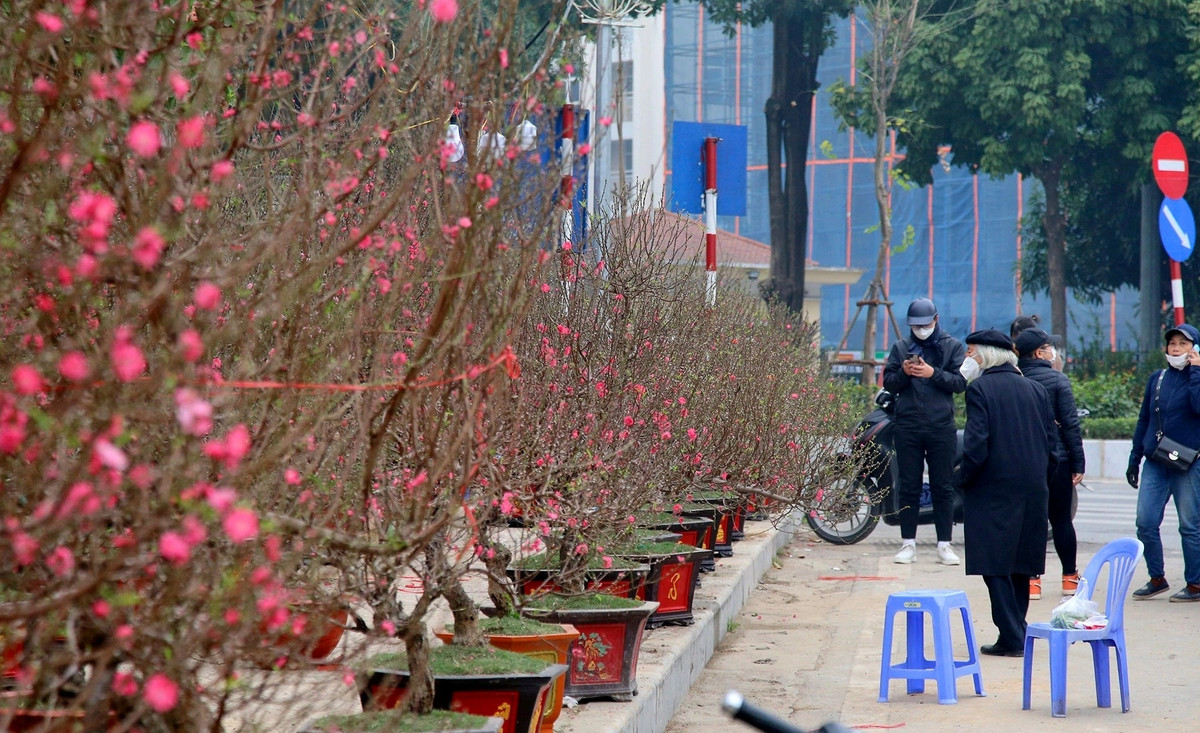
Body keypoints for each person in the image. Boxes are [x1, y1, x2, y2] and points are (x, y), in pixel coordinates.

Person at [957, 329, 1059, 656]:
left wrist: (961, 481)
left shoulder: (980, 390)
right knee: (1020, 564)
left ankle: (1014, 636)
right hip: (1032, 490)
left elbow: (975, 447)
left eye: (971, 352)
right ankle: (1014, 632)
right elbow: (1051, 448)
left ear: (986, 355)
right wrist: (1040, 479)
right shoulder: (1037, 390)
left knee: (994, 564)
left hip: (993, 490)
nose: (967, 359)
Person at [882, 297, 967, 565]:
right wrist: (905, 373)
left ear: (936, 320)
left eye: (925, 324)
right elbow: (889, 383)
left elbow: (959, 383)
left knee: (943, 485)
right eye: (915, 325)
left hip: (941, 426)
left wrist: (933, 373)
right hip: (907, 425)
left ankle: (944, 544)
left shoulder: (953, 347)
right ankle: (908, 543)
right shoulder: (900, 347)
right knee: (909, 485)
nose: (920, 329)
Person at [1126, 323, 1200, 602]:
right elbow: (1144, 419)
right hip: (1156, 460)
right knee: (1145, 522)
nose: (1177, 348)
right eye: (1173, 344)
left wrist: (1196, 371)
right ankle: (1157, 578)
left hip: (1189, 463)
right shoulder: (1157, 379)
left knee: (1190, 526)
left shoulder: (1198, 375)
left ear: (1194, 348)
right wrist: (1134, 459)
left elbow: (1198, 406)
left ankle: (1195, 583)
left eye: (1183, 344)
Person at [1014, 328, 1085, 601]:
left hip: (1025, 462)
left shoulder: (1015, 380)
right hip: (1059, 460)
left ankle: (1032, 581)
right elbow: (1070, 424)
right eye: (1047, 347)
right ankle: (1069, 578)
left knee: (1032, 521)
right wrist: (1078, 461)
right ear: (1038, 353)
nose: (1051, 351)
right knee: (1061, 520)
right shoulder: (1058, 380)